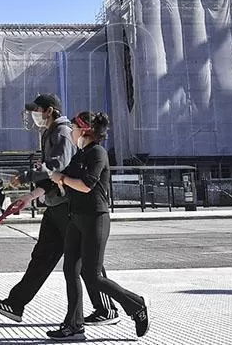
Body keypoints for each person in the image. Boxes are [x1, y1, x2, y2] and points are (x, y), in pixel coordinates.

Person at [0, 94, 117, 325]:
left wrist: (26, 177)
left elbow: (57, 168)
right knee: (42, 257)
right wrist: (29, 197)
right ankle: (16, 304)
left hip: (68, 207)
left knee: (87, 261)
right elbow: (53, 178)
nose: (32, 115)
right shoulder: (50, 133)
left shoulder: (62, 132)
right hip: (56, 205)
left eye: (36, 110)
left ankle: (106, 308)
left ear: (49, 111)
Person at [46, 111, 150, 340]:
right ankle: (74, 326)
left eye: (73, 127)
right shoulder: (79, 154)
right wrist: (54, 178)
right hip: (76, 218)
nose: (70, 131)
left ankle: (136, 305)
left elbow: (86, 185)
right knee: (70, 270)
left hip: (95, 219)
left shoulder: (98, 153)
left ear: (84, 130)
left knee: (93, 276)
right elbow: (67, 180)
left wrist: (62, 179)